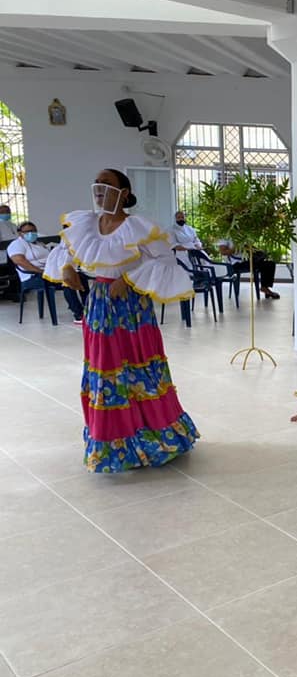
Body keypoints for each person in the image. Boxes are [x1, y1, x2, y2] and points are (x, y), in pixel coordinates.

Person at [42, 168, 199, 472]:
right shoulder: (84, 223)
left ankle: (156, 435)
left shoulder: (138, 227)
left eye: (107, 183)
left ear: (124, 193)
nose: (99, 188)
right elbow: (66, 251)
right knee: (105, 367)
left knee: (139, 365)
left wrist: (127, 279)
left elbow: (165, 260)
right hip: (99, 303)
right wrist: (67, 268)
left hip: (131, 305)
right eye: (97, 183)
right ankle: (114, 440)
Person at [6, 220, 88, 324]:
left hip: (49, 272)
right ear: (20, 233)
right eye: (27, 231)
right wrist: (41, 271)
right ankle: (78, 315)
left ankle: (88, 308)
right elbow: (20, 261)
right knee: (66, 281)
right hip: (33, 276)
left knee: (80, 277)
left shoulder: (39, 244)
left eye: (33, 231)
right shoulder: (16, 245)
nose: (31, 233)